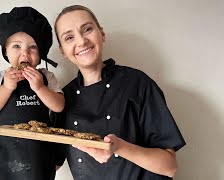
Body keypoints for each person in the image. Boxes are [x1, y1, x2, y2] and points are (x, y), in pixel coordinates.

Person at [52, 5, 186, 180]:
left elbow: (169, 166)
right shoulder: (61, 99)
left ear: (102, 34)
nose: (82, 41)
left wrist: (119, 147)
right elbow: (51, 164)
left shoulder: (137, 83)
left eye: (87, 29)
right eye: (69, 37)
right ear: (63, 51)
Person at [0, 6, 65, 180]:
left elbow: (59, 106)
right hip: (6, 149)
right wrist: (6, 87)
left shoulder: (47, 76)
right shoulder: (0, 77)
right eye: (16, 46)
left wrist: (40, 88)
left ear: (41, 53)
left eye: (33, 47)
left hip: (39, 150)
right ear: (5, 51)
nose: (25, 53)